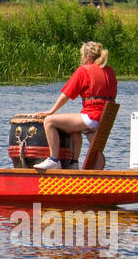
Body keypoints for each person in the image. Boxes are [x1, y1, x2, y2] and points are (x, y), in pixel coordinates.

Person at [35, 41, 118, 171]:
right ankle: (74, 163)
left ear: (88, 57)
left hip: (92, 117)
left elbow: (66, 95)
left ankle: (53, 160)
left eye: (82, 55)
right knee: (74, 129)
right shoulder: (110, 71)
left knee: (49, 122)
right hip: (105, 119)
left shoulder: (84, 70)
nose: (82, 58)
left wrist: (51, 111)